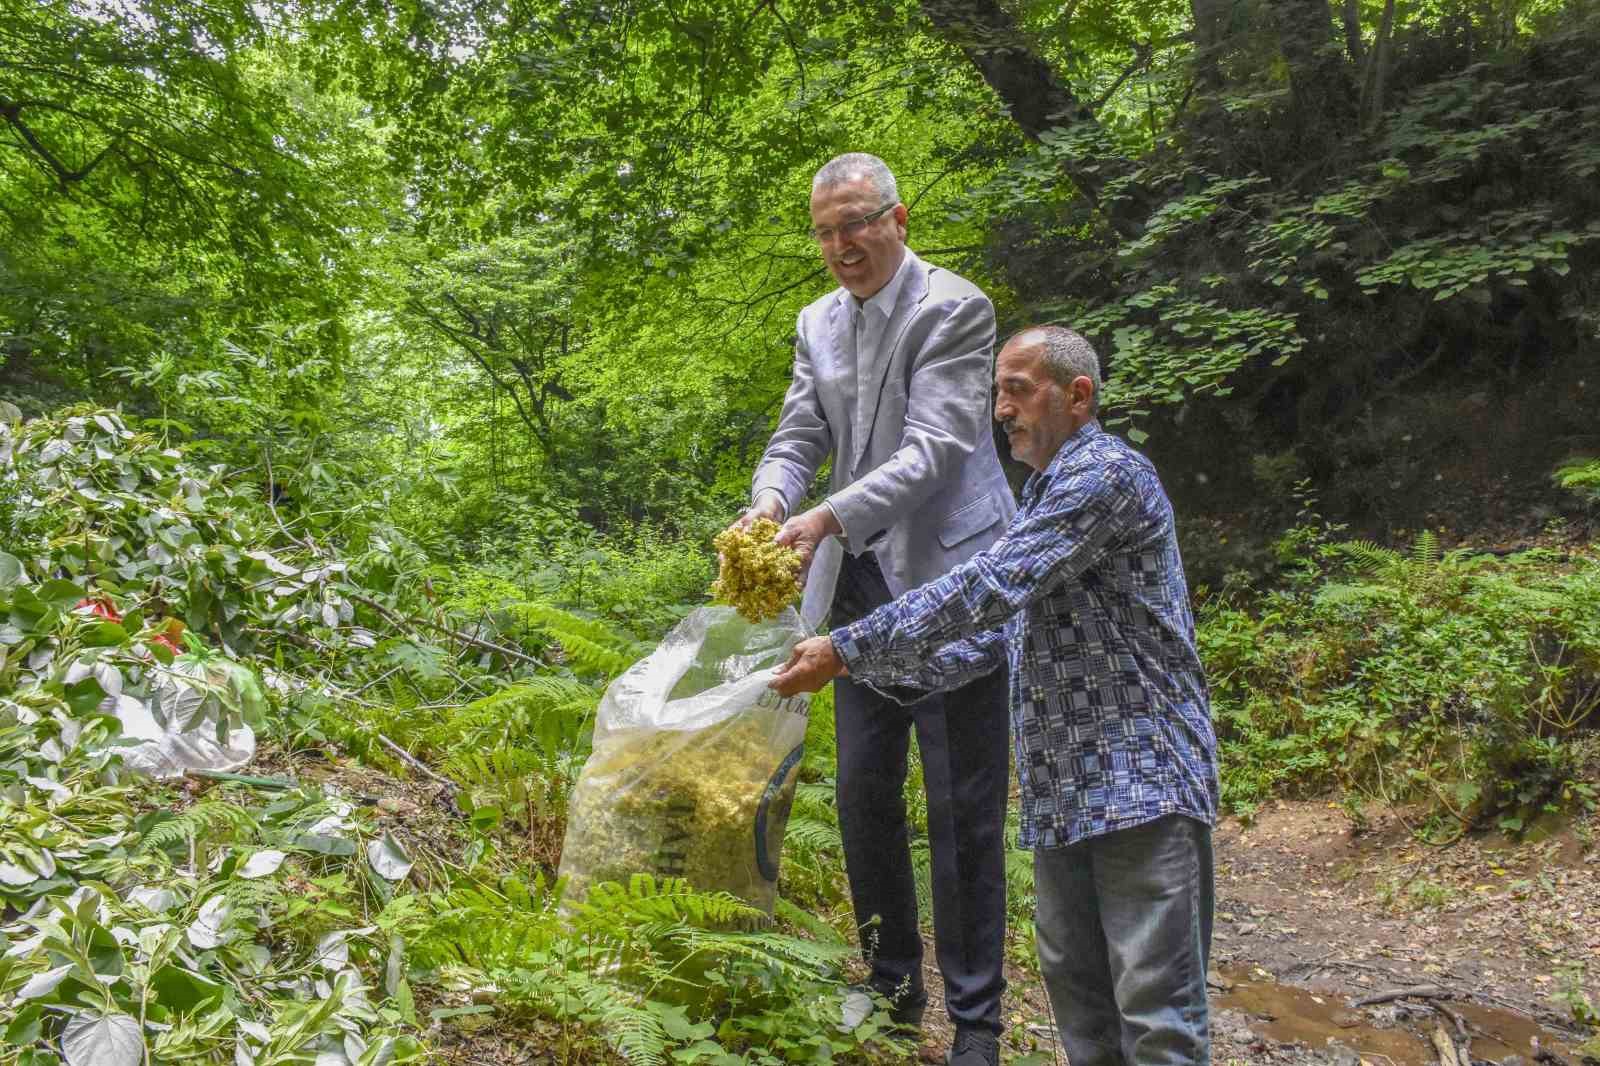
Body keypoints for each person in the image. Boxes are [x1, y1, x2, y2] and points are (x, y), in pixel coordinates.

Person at [770, 326, 1222, 1066]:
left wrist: (848, 644)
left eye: (1018, 389)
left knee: (1157, 1018)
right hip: (1064, 798)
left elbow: (988, 584)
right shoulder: (1046, 493)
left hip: (1142, 786)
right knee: (1084, 1015)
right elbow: (991, 640)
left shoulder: (1105, 476)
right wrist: (841, 671)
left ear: (1078, 396)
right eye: (996, 392)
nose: (1001, 410)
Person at [735, 152, 1014, 1066]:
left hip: (950, 582)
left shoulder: (956, 308)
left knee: (961, 807)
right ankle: (894, 988)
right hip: (854, 582)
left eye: (856, 222)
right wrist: (774, 500)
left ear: (899, 218)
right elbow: (799, 432)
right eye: (824, 230)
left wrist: (824, 515)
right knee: (862, 796)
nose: (840, 244)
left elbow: (937, 447)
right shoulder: (816, 320)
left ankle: (976, 1024)